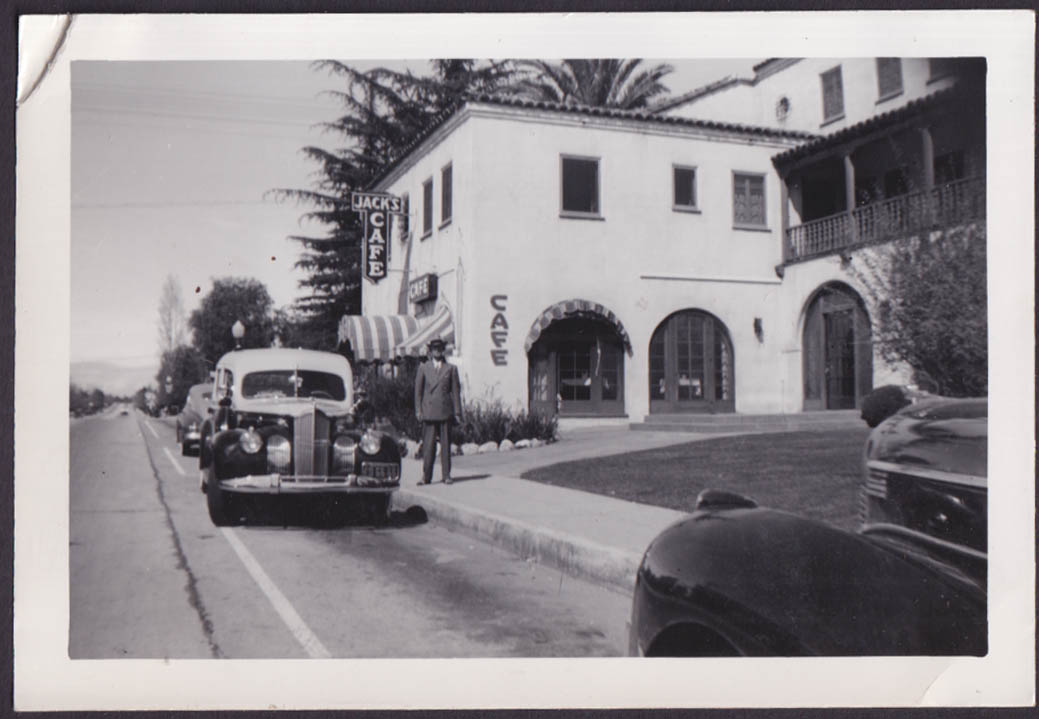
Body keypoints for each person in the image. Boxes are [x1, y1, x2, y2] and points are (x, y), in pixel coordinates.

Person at [414, 338, 463, 485]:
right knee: (428, 446)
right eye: (434, 349)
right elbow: (418, 392)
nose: (437, 351)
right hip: (428, 412)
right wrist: (418, 410)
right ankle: (426, 476)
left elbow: (455, 392)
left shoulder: (451, 369)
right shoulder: (423, 368)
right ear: (430, 351)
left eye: (440, 349)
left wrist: (457, 413)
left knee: (446, 445)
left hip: (445, 411)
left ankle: (446, 475)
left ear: (443, 351)